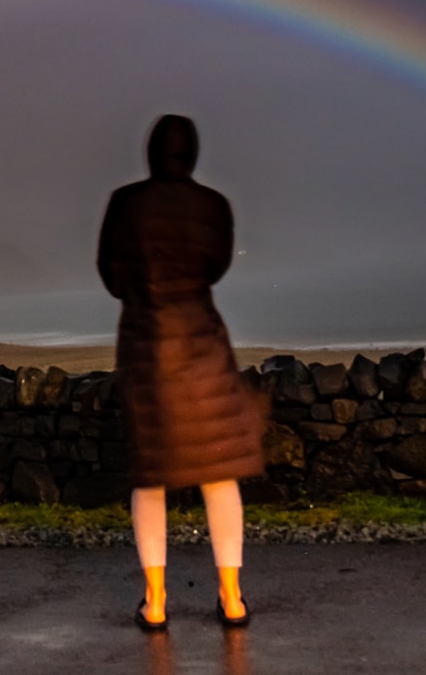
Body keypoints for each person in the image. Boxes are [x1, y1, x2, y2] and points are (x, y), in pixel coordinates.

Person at [97, 115, 267, 631]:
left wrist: (143, 288)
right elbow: (215, 266)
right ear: (191, 153)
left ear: (151, 150)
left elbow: (111, 272)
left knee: (150, 478)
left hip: (148, 344)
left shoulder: (126, 202)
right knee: (219, 472)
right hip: (202, 342)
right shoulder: (214, 206)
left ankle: (155, 601)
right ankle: (232, 598)